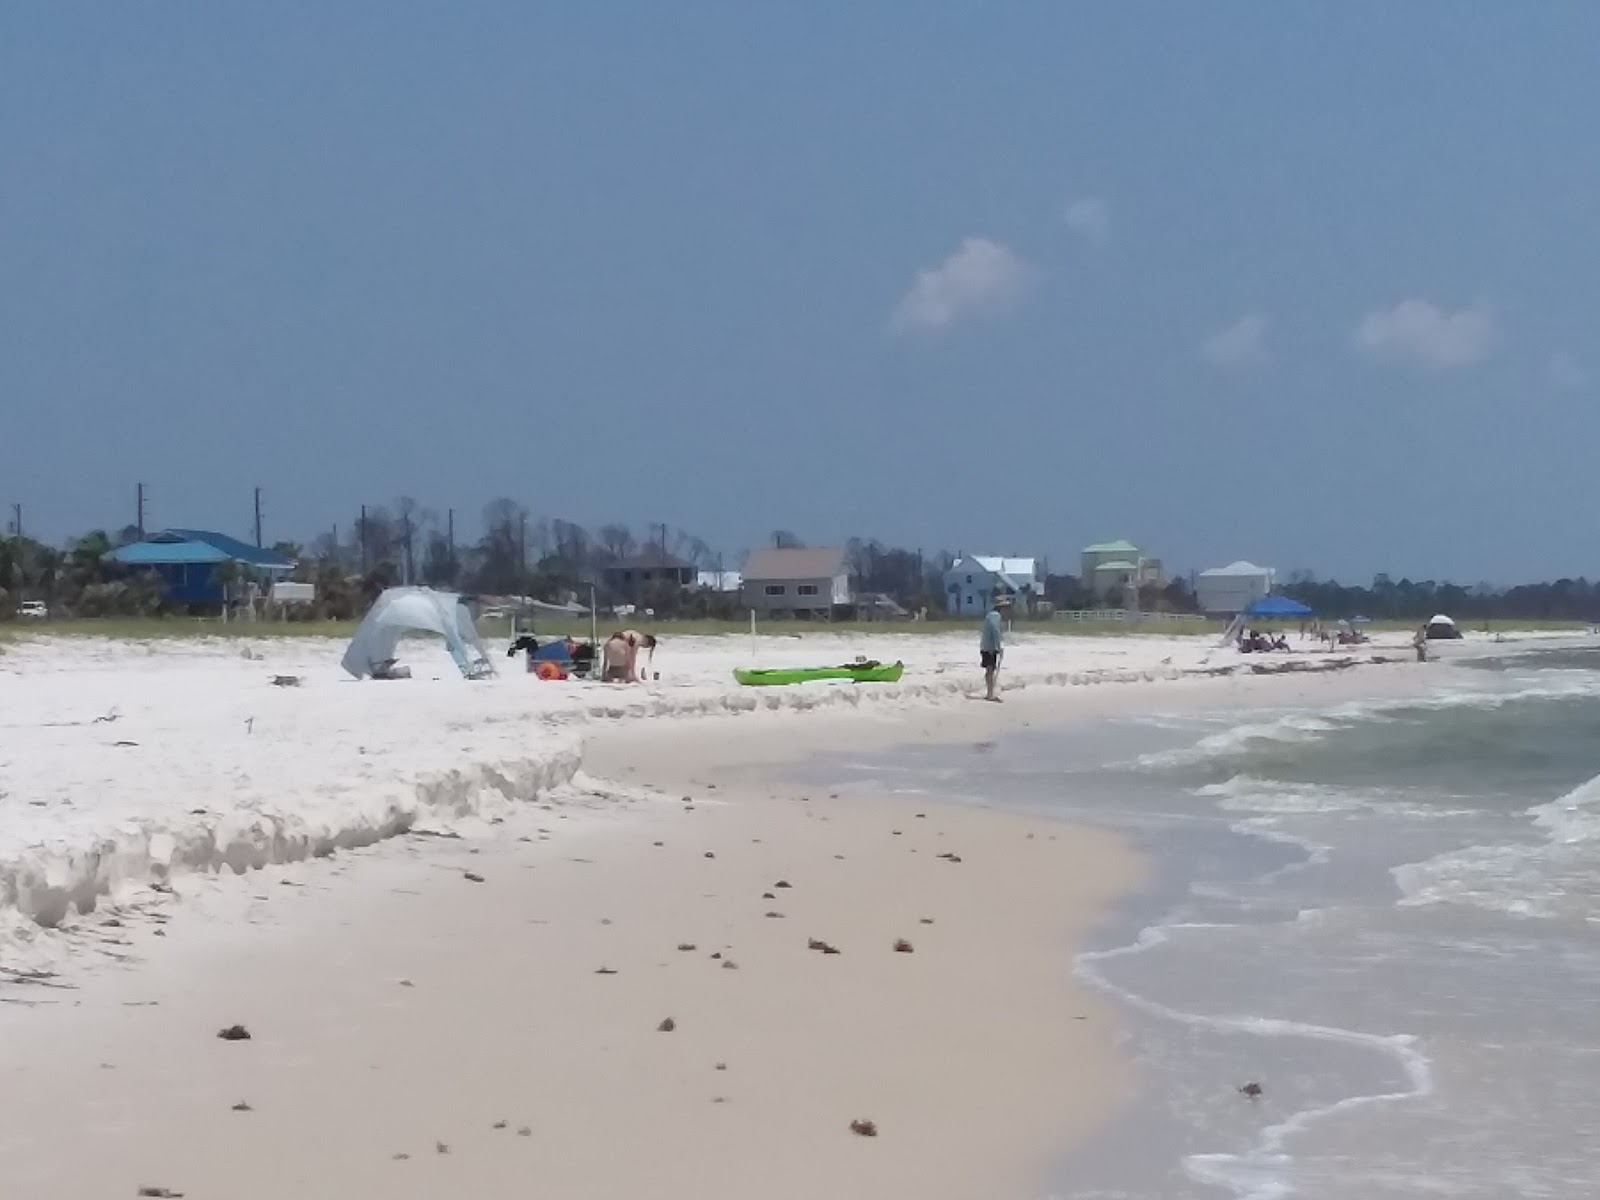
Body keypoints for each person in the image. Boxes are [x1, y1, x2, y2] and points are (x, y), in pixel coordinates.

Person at [980, 597, 1006, 701]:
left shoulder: (990, 615)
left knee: (989, 670)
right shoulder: (996, 616)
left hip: (985, 646)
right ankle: (990, 694)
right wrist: (999, 647)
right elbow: (996, 632)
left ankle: (989, 692)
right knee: (990, 670)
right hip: (990, 647)